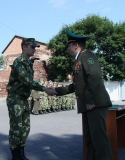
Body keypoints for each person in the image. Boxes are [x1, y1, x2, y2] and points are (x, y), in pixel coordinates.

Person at [55, 30, 113, 160]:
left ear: (75, 45)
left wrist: (90, 100)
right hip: (89, 106)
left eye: (68, 45)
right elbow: (76, 86)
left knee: (99, 141)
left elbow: (95, 77)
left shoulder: (87, 56)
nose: (67, 48)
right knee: (91, 141)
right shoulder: (79, 60)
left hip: (95, 104)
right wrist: (55, 91)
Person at [6, 38, 56, 159]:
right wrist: (44, 88)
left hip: (23, 99)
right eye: (32, 47)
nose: (34, 49)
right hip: (15, 99)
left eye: (35, 47)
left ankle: (22, 154)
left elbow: (29, 82)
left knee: (25, 129)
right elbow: (26, 81)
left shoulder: (28, 62)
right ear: (24, 47)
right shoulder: (19, 61)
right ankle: (15, 156)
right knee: (16, 128)